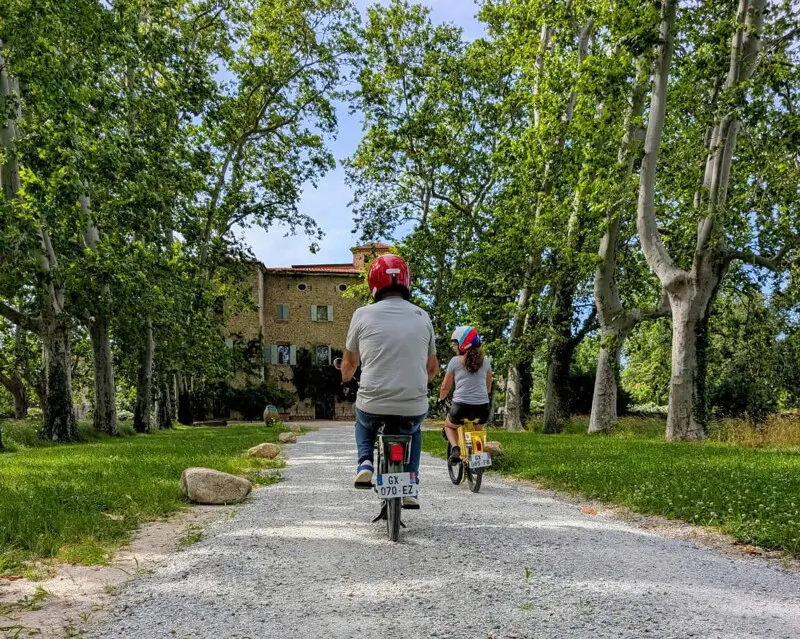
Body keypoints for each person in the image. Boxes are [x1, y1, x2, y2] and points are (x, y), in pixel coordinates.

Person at [340, 254, 438, 508]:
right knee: (414, 430)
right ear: (406, 282)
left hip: (374, 402)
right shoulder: (422, 315)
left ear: (374, 282)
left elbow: (350, 364)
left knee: (362, 418)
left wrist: (346, 379)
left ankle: (365, 462)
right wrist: (415, 384)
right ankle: (410, 485)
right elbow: (432, 368)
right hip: (412, 403)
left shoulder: (361, 314)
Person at [438, 326, 492, 463]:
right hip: (482, 407)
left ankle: (456, 448)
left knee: (449, 426)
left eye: (456, 344)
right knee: (477, 431)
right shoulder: (486, 362)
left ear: (463, 344)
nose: (455, 347)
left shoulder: (455, 362)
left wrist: (441, 399)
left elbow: (445, 387)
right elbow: (488, 388)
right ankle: (479, 456)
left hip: (461, 406)